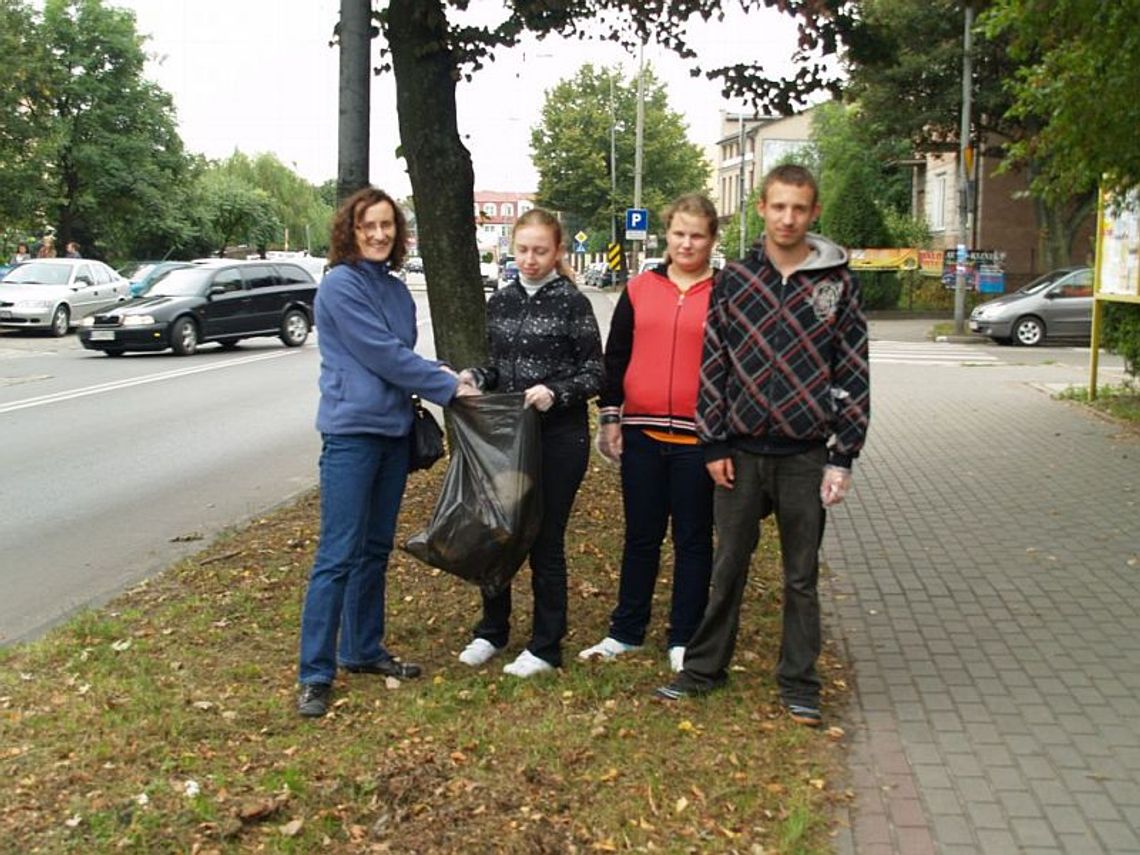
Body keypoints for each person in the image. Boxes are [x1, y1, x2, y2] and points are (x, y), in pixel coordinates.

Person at [655, 164, 870, 728]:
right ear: (762, 208)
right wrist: (713, 442)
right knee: (727, 566)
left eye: (799, 208)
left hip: (805, 454)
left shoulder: (838, 285)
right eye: (779, 206)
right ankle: (704, 669)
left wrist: (843, 456)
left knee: (801, 576)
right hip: (741, 452)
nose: (788, 218)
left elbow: (852, 369)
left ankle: (799, 682)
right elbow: (715, 364)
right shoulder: (737, 281)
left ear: (814, 212)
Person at [296, 186, 479, 718]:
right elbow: (381, 354)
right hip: (352, 434)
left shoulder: (397, 291)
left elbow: (400, 354)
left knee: (375, 549)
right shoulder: (340, 285)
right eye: (367, 226)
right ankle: (314, 674)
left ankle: (362, 649)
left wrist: (442, 373)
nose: (378, 234)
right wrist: (446, 389)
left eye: (387, 225)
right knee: (337, 554)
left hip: (394, 433)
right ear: (350, 232)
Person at [456, 208, 604, 678]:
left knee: (544, 538)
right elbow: (497, 366)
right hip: (508, 438)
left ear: (557, 251)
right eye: (522, 250)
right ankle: (492, 630)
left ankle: (545, 645)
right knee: (498, 530)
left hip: (559, 438)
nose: (530, 259)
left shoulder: (572, 303)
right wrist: (476, 376)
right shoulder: (501, 301)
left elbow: (596, 372)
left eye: (540, 251)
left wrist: (555, 392)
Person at [580, 194, 719, 673]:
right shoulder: (640, 288)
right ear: (667, 235)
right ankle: (626, 631)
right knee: (641, 536)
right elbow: (616, 356)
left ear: (711, 239)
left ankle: (684, 637)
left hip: (699, 440)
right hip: (641, 434)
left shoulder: (726, 293)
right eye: (679, 233)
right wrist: (610, 416)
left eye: (697, 235)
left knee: (692, 540)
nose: (687, 243)